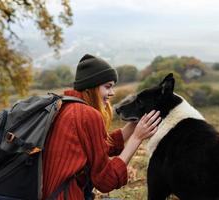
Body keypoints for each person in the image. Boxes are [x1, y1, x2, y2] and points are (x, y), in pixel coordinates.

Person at [42, 54, 161, 200]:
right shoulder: (87, 114)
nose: (112, 93)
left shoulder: (64, 106)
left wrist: (133, 125)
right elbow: (105, 180)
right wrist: (137, 138)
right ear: (91, 87)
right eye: (107, 87)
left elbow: (99, 146)